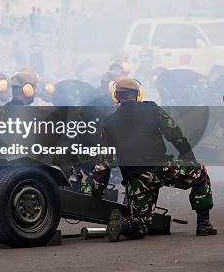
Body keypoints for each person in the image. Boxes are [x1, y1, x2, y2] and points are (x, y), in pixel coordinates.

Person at [91, 77, 217, 241]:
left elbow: (103, 163)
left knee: (139, 229)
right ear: (138, 94)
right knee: (200, 173)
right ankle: (204, 225)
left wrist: (97, 193)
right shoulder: (152, 109)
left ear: (116, 97)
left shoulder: (109, 122)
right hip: (162, 169)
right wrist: (189, 158)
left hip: (136, 180)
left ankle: (124, 224)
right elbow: (175, 134)